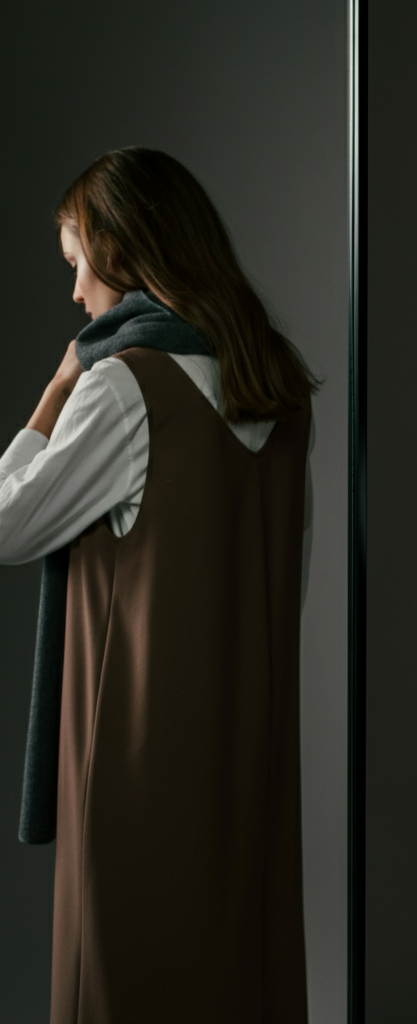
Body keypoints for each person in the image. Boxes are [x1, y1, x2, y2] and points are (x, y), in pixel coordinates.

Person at [0, 148, 317, 1022]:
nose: (77, 295)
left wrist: (52, 395)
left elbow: (8, 525)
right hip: (245, 745)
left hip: (132, 752)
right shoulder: (282, 388)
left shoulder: (122, 385)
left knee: (121, 980)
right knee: (231, 976)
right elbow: (285, 569)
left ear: (121, 248)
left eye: (78, 264)